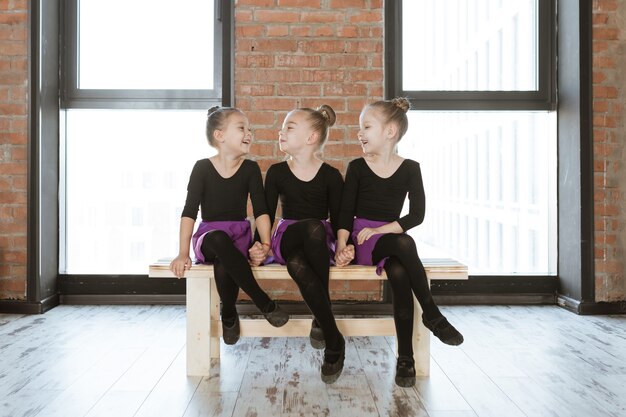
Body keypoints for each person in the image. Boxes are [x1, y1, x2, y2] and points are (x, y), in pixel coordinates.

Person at [335, 97, 463, 388]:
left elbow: (417, 215)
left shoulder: (410, 168)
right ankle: (431, 313)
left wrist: (383, 230)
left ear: (390, 131)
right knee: (405, 245)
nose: (360, 133)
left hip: (386, 236)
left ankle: (406, 358)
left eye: (366, 126)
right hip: (362, 239)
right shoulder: (357, 167)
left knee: (400, 270)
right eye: (360, 127)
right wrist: (343, 245)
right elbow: (343, 213)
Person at [170, 106, 289, 346]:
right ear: (219, 135)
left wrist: (265, 244)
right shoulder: (202, 168)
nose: (249, 133)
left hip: (239, 237)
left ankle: (229, 313)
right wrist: (183, 252)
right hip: (210, 237)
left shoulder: (250, 169)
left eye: (250, 129)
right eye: (242, 128)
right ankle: (262, 301)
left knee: (226, 258)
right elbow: (189, 212)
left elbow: (261, 211)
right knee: (218, 240)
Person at [251, 104, 345, 384]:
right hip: (288, 236)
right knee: (310, 227)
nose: (281, 131)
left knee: (299, 262)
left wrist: (343, 246)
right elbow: (265, 212)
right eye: (282, 127)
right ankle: (333, 334)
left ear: (311, 138)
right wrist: (260, 245)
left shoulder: (330, 175)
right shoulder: (278, 172)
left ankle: (327, 330)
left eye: (289, 127)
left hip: (318, 242)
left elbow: (339, 218)